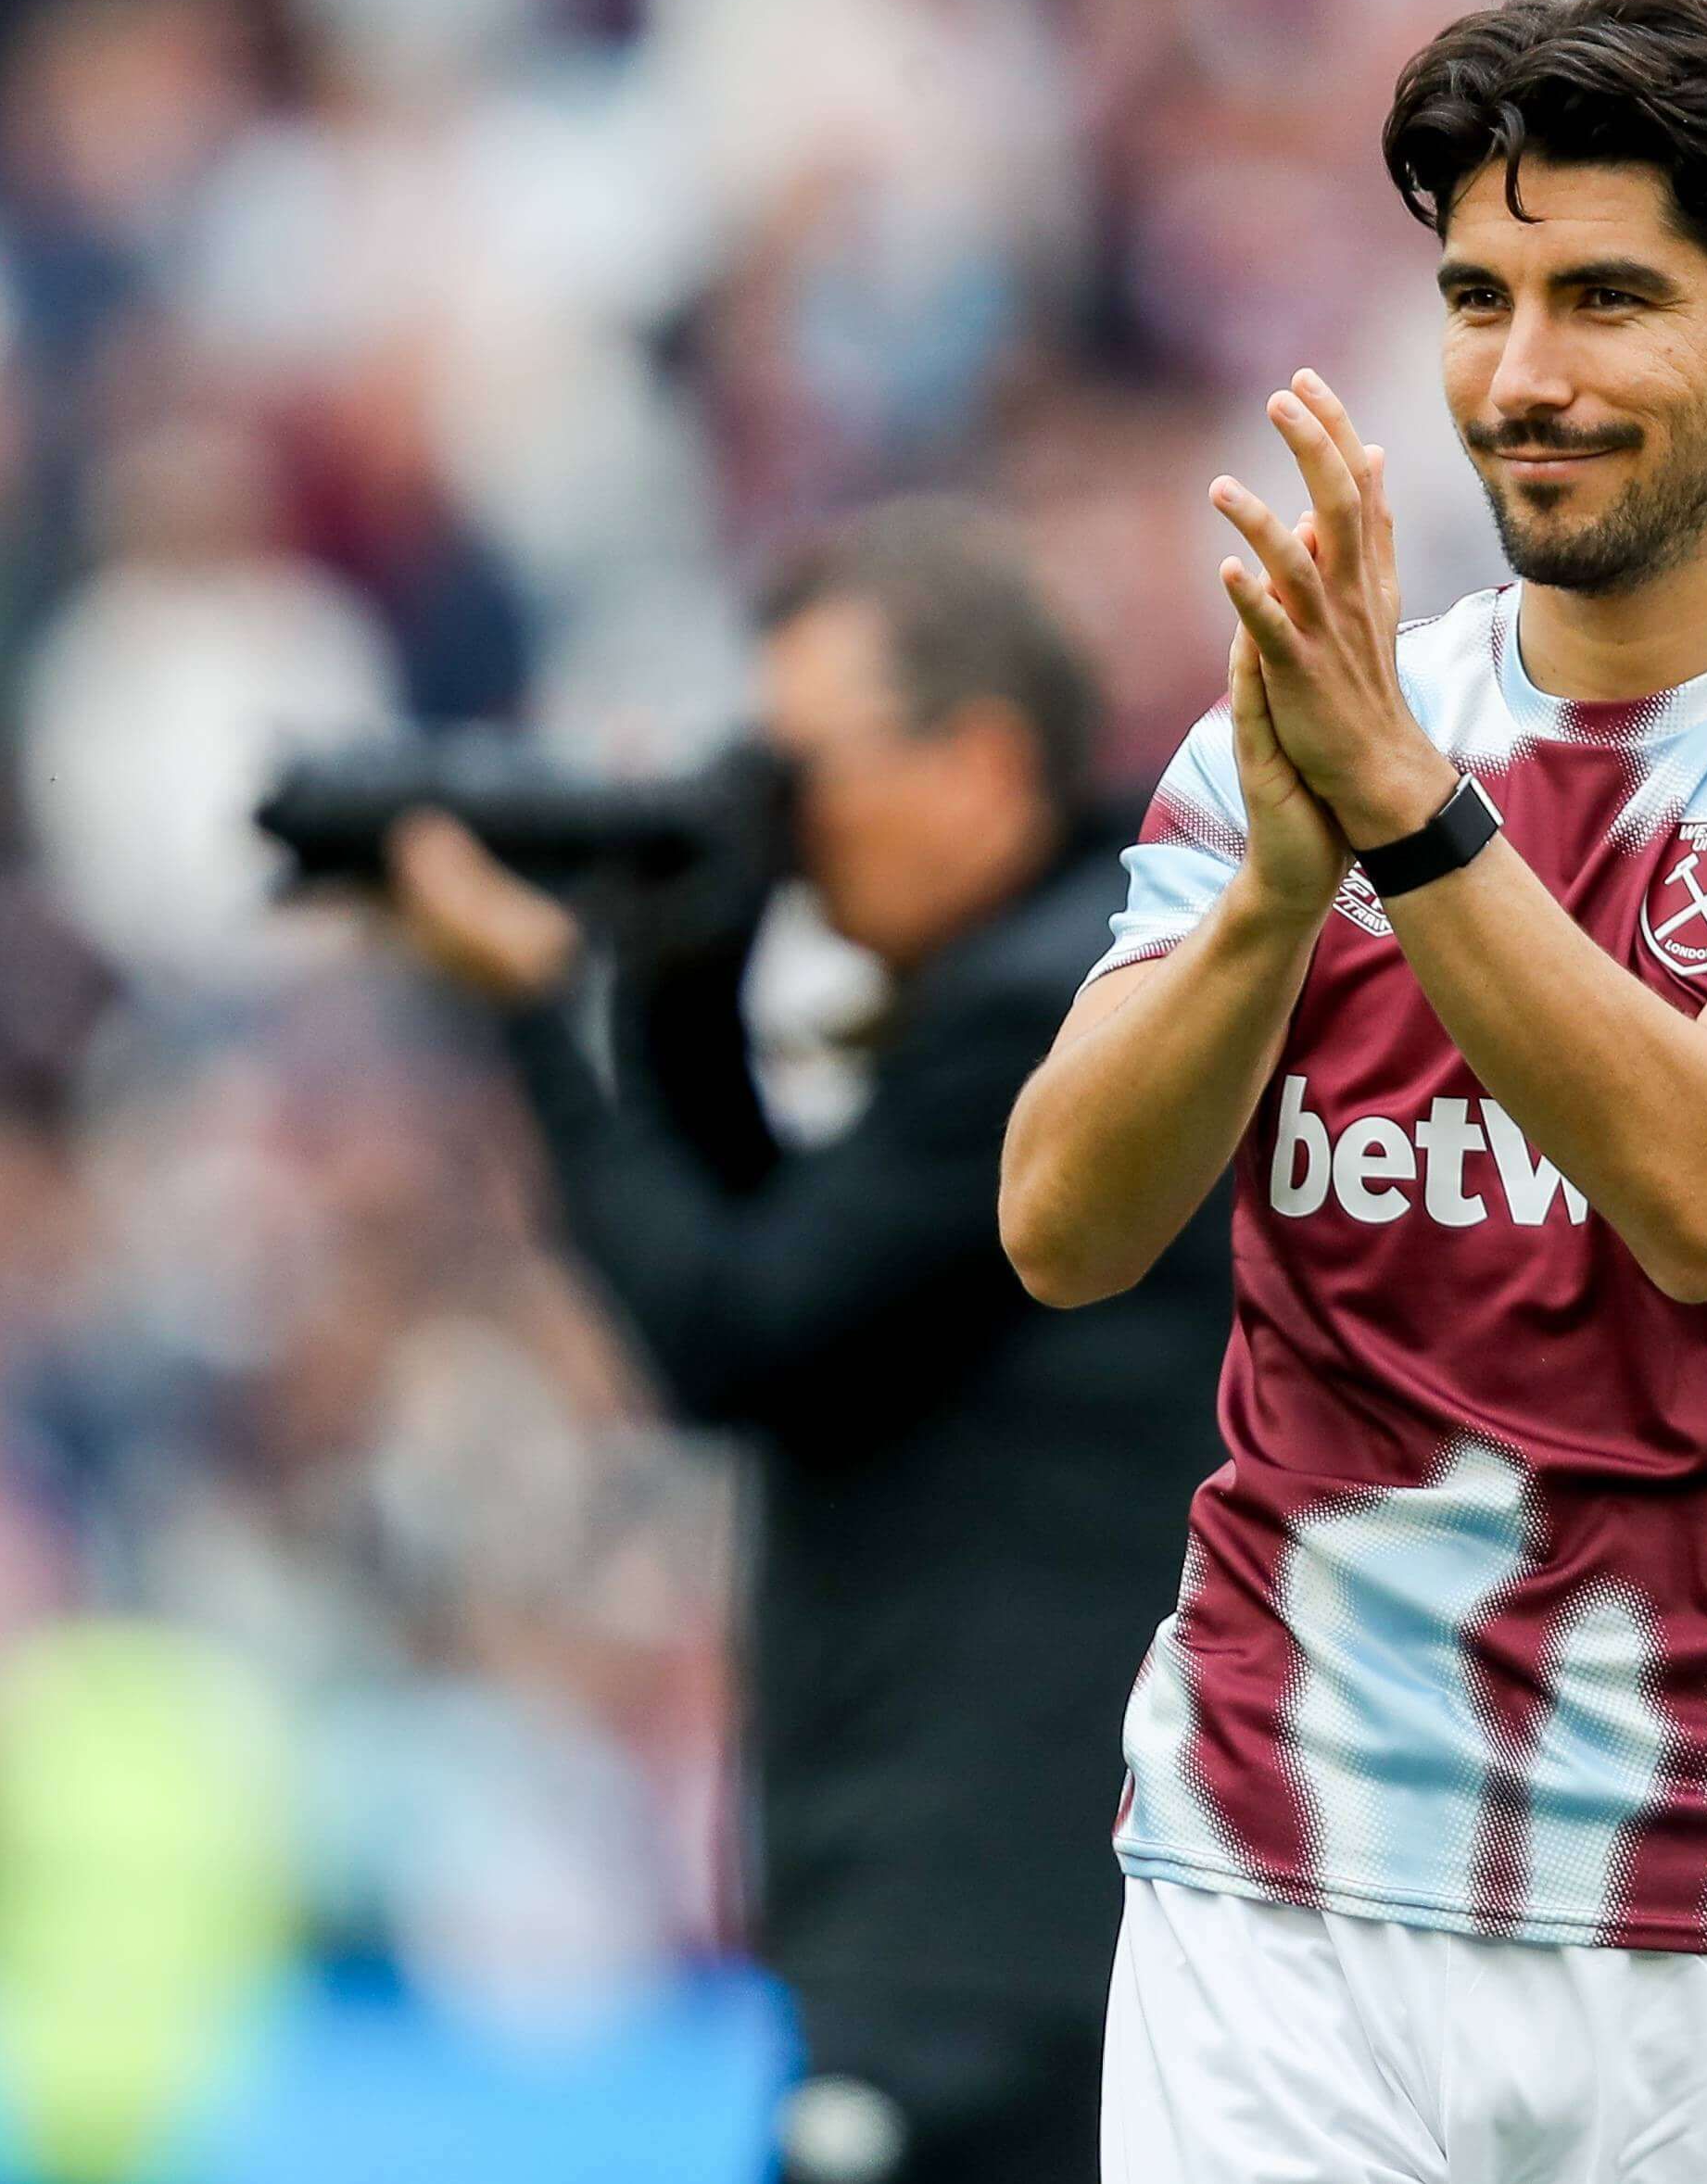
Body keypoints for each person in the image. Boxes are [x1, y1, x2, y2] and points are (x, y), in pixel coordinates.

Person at [1000, 0, 1707, 2184]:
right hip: (1279, 1880)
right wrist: (1274, 898)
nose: (1521, 374)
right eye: (1478, 296)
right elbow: (1062, 1224)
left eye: (1605, 298)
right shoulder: (1294, 745)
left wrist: (1409, 824)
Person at [384, 504, 1232, 2184]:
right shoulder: (1082, 977)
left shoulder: (1051, 1017)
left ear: (979, 763)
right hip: (1034, 1907)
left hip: (991, 1926)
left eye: (804, 773)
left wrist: (545, 1016)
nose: (785, 829)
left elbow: (728, 1331)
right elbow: (795, 1288)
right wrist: (676, 984)